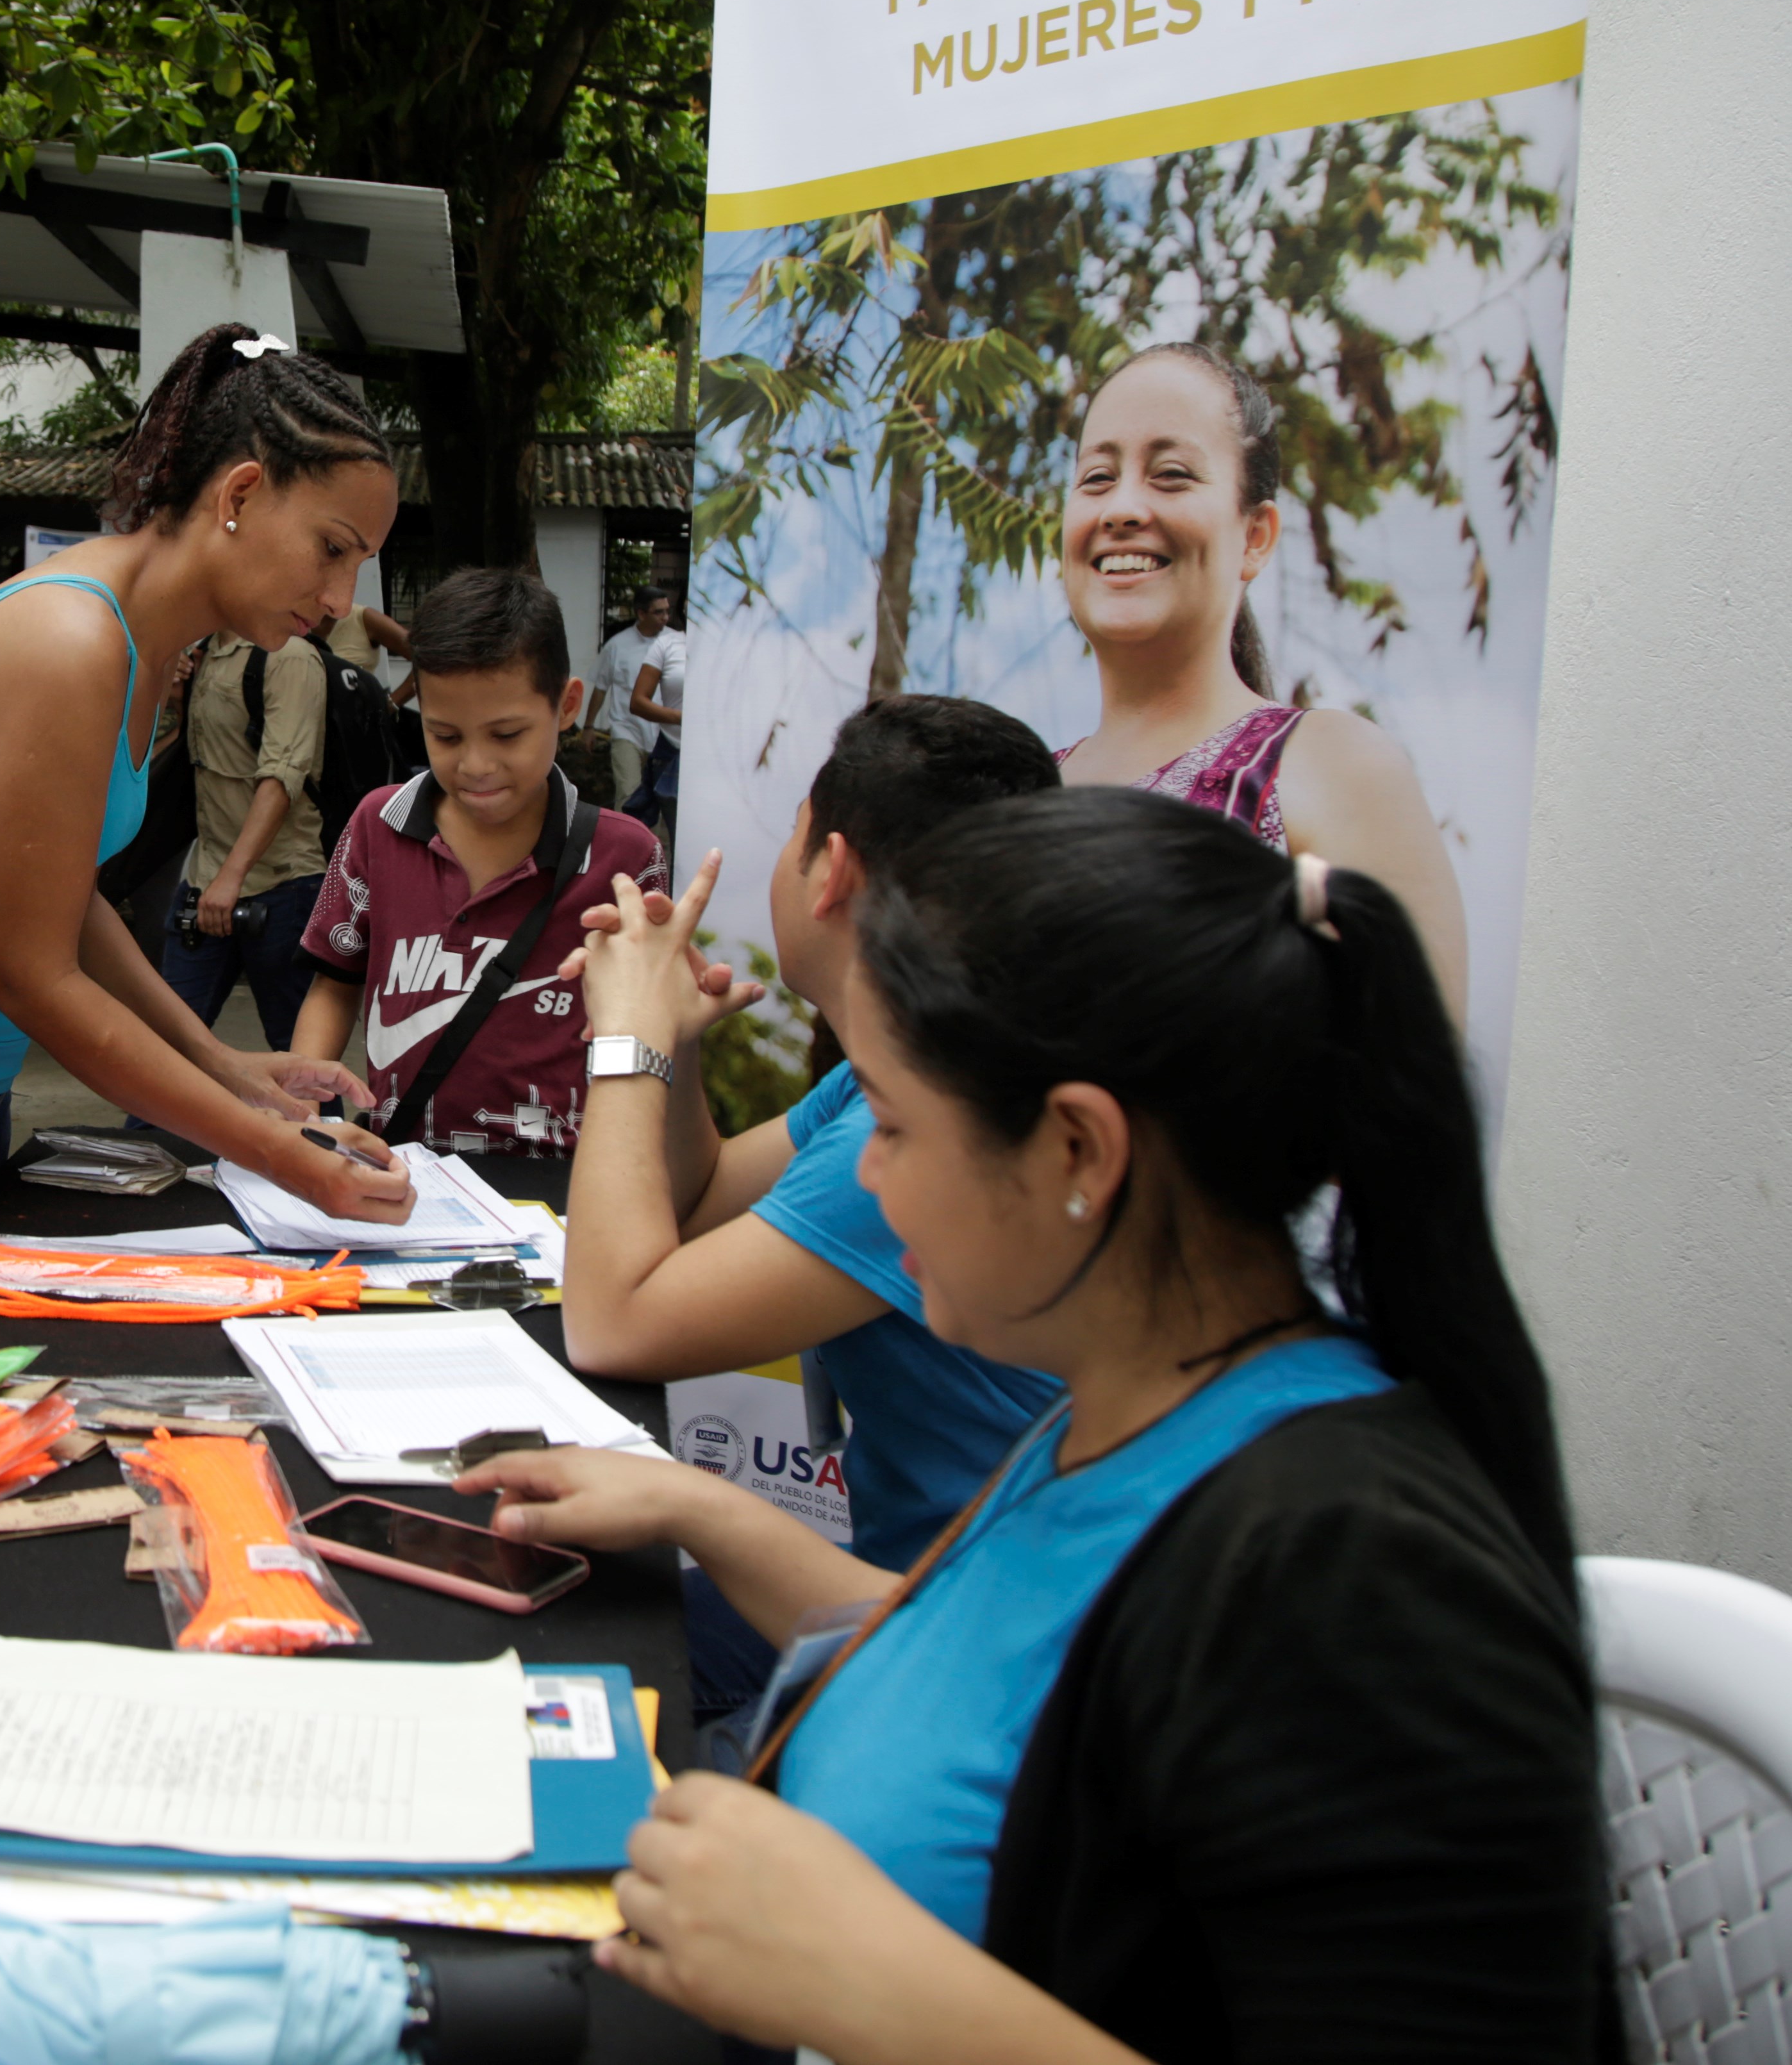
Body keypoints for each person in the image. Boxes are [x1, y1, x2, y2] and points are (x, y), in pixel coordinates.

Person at [465, 788, 1605, 2062]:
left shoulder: (1357, 1575)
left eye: (895, 1127)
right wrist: (701, 1508)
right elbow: (992, 1675)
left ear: (1078, 1151)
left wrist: (872, 1984)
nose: (872, 1174)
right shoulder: (1129, 1405)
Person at [0, 326, 410, 1264]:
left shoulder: (142, 642)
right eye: (332, 550)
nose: (340, 598)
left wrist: (226, 1068)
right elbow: (26, 974)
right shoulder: (71, 640)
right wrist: (277, 1153)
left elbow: (63, 900)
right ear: (241, 494)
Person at [553, 695, 1063, 1732]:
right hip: (901, 1577)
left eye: (787, 831)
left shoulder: (918, 1126)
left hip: (970, 1651)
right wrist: (679, 1034)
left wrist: (626, 1041)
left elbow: (612, 1319)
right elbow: (694, 1202)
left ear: (827, 869)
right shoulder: (894, 1072)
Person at [1052, 340, 1469, 1016]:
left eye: (1171, 474)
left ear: (1256, 536)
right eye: (1096, 478)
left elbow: (1409, 1083)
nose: (1120, 508)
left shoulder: (1329, 767)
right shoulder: (1015, 793)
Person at [293, 568, 663, 1152]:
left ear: (567, 705)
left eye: (507, 735)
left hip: (561, 1181)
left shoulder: (625, 857)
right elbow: (335, 985)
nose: (475, 765)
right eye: (444, 735)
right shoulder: (377, 825)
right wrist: (305, 1112)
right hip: (404, 1170)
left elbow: (647, 1028)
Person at [154, 621, 330, 1052]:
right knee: (167, 1047)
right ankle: (152, 1125)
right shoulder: (205, 651)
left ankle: (317, 1125)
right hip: (205, 881)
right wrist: (176, 698)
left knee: (297, 1055)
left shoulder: (289, 656)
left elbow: (282, 777)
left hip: (280, 885)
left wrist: (232, 877)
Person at [590, 585, 679, 809]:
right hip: (626, 731)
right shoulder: (617, 646)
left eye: (668, 611)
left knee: (659, 797)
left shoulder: (677, 643)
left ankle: (653, 844)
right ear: (641, 613)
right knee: (628, 794)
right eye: (658, 612)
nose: (665, 618)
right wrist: (588, 727)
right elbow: (601, 687)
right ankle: (626, 843)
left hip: (664, 735)